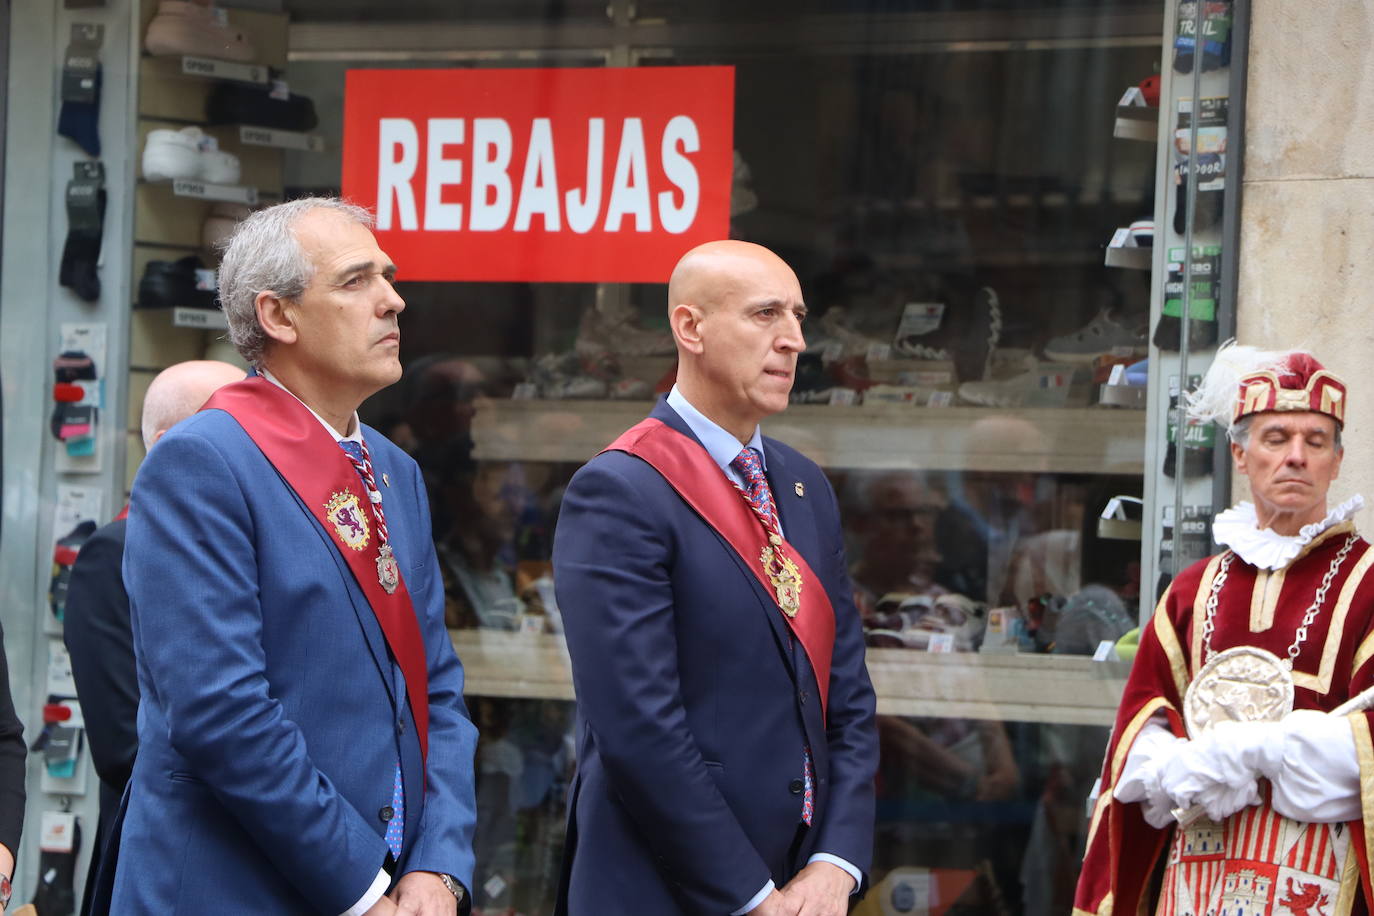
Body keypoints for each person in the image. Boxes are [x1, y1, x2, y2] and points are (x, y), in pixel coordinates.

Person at [104, 198, 478, 915]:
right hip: (234, 890)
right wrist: (365, 889)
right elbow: (222, 713)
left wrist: (437, 864)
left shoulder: (396, 470)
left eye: (388, 276)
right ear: (277, 316)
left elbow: (437, 690)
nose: (393, 300)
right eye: (355, 281)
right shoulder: (203, 462)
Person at [552, 240, 879, 915]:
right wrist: (754, 897)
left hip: (806, 882)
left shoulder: (802, 485)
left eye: (798, 316)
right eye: (765, 315)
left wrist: (835, 864)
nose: (793, 340)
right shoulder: (620, 489)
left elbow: (847, 698)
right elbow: (638, 726)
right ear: (690, 328)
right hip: (667, 889)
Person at [1075, 344, 1374, 916]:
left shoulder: (1369, 584)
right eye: (1276, 439)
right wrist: (1173, 766)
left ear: (1337, 461)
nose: (1296, 458)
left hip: (1321, 884)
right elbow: (1138, 731)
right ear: (1239, 453)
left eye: (1315, 442)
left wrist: (1261, 751)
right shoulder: (1193, 588)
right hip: (1195, 880)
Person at [62, 359, 244, 916]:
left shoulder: (244, 552)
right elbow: (123, 747)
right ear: (168, 445)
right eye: (232, 427)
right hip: (167, 864)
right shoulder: (112, 553)